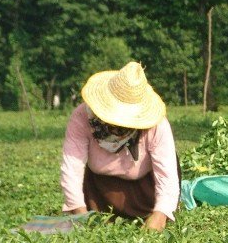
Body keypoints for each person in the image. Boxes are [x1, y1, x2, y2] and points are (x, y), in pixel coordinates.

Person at [60, 61, 180, 231]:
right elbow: (72, 166)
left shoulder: (157, 125)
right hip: (99, 191)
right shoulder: (82, 117)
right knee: (93, 222)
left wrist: (160, 214)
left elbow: (166, 174)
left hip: (144, 191)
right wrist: (78, 211)